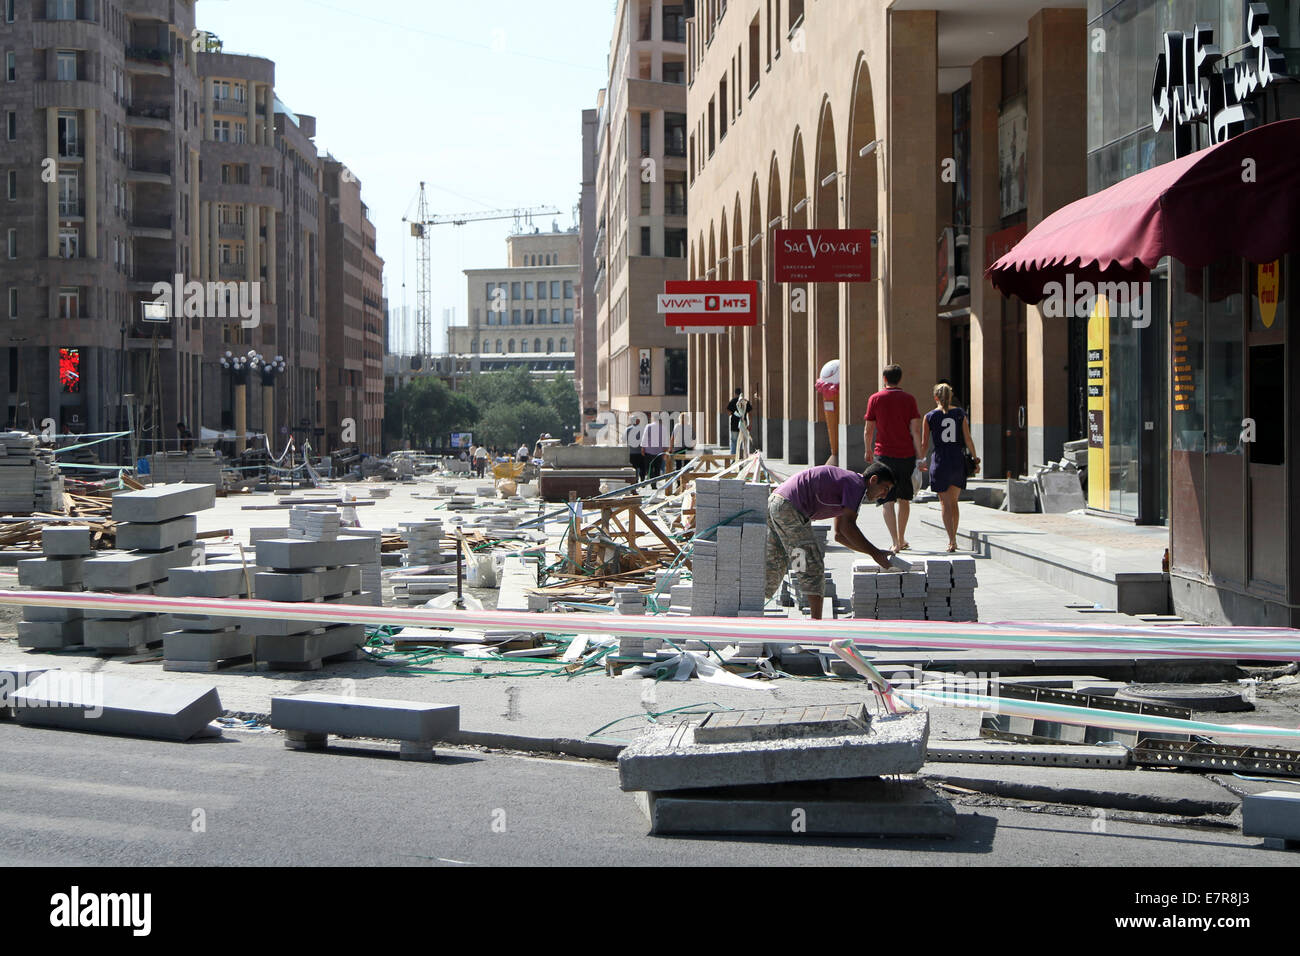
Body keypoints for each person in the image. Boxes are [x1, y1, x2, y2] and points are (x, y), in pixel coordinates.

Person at [765, 461, 896, 620]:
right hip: (789, 507)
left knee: (775, 562)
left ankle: (751, 613)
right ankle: (817, 624)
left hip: (776, 502)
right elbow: (848, 527)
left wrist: (874, 553)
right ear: (873, 480)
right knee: (812, 565)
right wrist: (875, 554)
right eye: (885, 489)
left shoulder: (850, 484)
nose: (884, 496)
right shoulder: (856, 486)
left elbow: (839, 535)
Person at [864, 364, 923, 554]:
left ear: (884, 378)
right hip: (905, 454)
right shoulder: (909, 399)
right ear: (900, 378)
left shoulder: (875, 399)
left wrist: (868, 450)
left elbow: (868, 429)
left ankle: (895, 541)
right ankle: (902, 537)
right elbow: (915, 430)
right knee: (904, 497)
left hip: (883, 455)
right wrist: (920, 457)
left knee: (887, 499)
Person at [919, 383, 981, 553]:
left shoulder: (930, 416)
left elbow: (924, 443)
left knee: (944, 503)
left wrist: (920, 460)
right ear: (951, 396)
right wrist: (975, 459)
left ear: (935, 397)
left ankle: (951, 540)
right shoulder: (960, 413)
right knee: (954, 503)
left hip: (940, 460)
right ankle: (954, 537)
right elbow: (968, 438)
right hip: (956, 459)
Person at [642, 414, 667, 483]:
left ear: (653, 419)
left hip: (649, 451)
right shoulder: (663, 428)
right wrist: (665, 450)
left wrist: (643, 448)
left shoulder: (649, 426)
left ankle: (652, 481)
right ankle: (655, 482)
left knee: (649, 467)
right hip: (659, 451)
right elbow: (665, 440)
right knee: (657, 468)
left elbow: (645, 438)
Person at [726, 388, 747, 456]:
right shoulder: (744, 401)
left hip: (734, 425)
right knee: (740, 442)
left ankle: (733, 457)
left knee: (734, 441)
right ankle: (739, 457)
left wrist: (733, 415)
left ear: (735, 393)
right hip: (742, 424)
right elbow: (750, 411)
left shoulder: (733, 401)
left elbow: (728, 411)